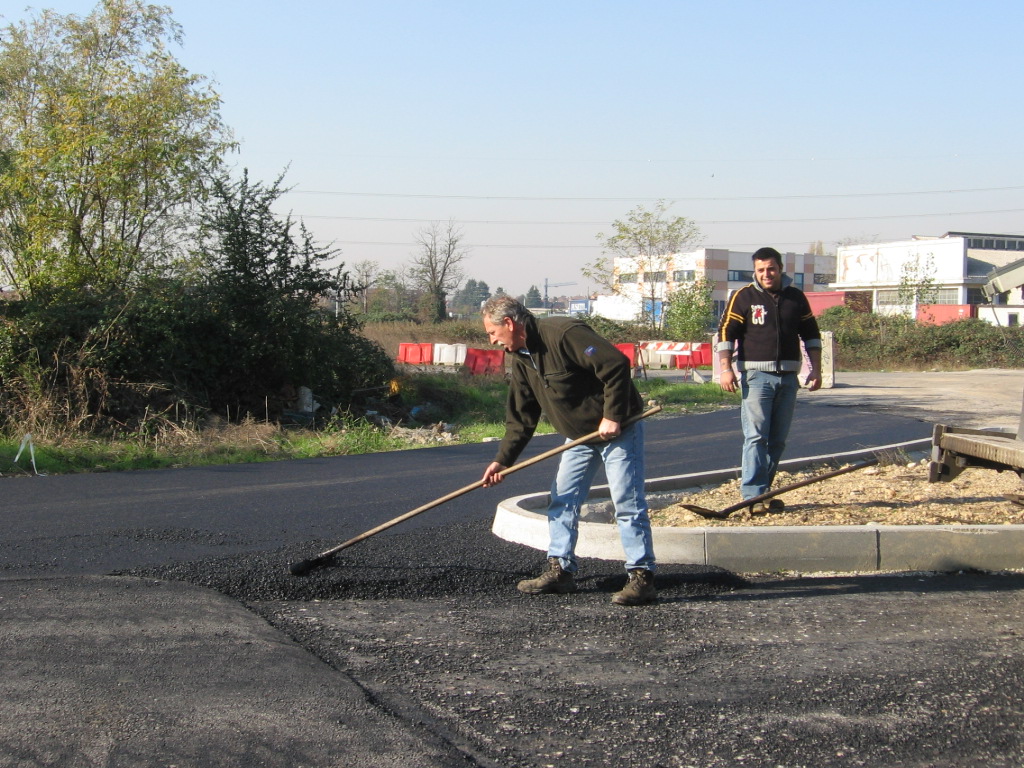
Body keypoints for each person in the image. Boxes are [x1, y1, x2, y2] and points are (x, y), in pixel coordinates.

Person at [480, 296, 657, 606]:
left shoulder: (563, 333)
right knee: (562, 499)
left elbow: (615, 364)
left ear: (509, 323)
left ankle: (641, 577)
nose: (492, 341)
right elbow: (521, 418)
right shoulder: (521, 357)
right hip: (578, 437)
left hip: (619, 429)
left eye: (492, 333)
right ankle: (560, 570)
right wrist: (501, 461)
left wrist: (612, 415)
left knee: (626, 502)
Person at [717, 247, 823, 510]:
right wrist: (725, 368)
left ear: (780, 269)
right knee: (756, 437)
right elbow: (726, 333)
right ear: (755, 271)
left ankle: (763, 493)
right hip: (756, 377)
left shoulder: (796, 298)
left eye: (771, 269)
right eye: (761, 269)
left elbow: (811, 335)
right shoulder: (743, 297)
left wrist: (816, 369)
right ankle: (752, 495)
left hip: (788, 379)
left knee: (777, 439)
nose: (766, 274)